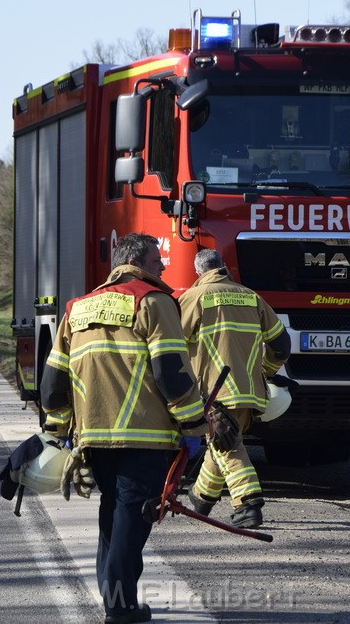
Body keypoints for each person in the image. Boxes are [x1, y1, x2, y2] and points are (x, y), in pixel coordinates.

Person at [39, 233, 234, 624]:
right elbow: (172, 372)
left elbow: (52, 384)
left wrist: (56, 431)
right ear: (141, 263)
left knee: (113, 514)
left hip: (92, 435)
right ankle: (121, 608)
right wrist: (194, 424)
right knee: (132, 518)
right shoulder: (154, 302)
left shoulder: (77, 307)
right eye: (158, 261)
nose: (163, 267)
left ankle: (115, 599)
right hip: (144, 436)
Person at [178, 248, 291, 529]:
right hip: (250, 391)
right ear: (223, 267)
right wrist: (265, 371)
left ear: (199, 272)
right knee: (224, 442)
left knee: (228, 448)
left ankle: (248, 504)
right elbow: (282, 346)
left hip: (213, 392)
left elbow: (171, 347)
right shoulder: (252, 297)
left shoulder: (193, 298)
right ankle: (201, 497)